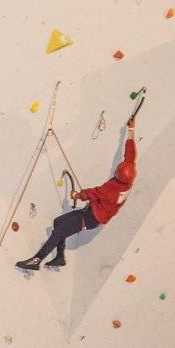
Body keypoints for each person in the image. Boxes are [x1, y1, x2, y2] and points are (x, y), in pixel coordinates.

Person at [17, 114, 139, 271]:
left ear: (119, 175)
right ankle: (60, 257)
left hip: (91, 218)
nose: (115, 169)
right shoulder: (127, 177)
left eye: (117, 170)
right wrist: (131, 128)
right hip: (91, 212)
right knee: (57, 222)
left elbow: (93, 193)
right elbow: (130, 152)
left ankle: (37, 260)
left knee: (58, 232)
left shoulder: (112, 189)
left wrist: (76, 195)